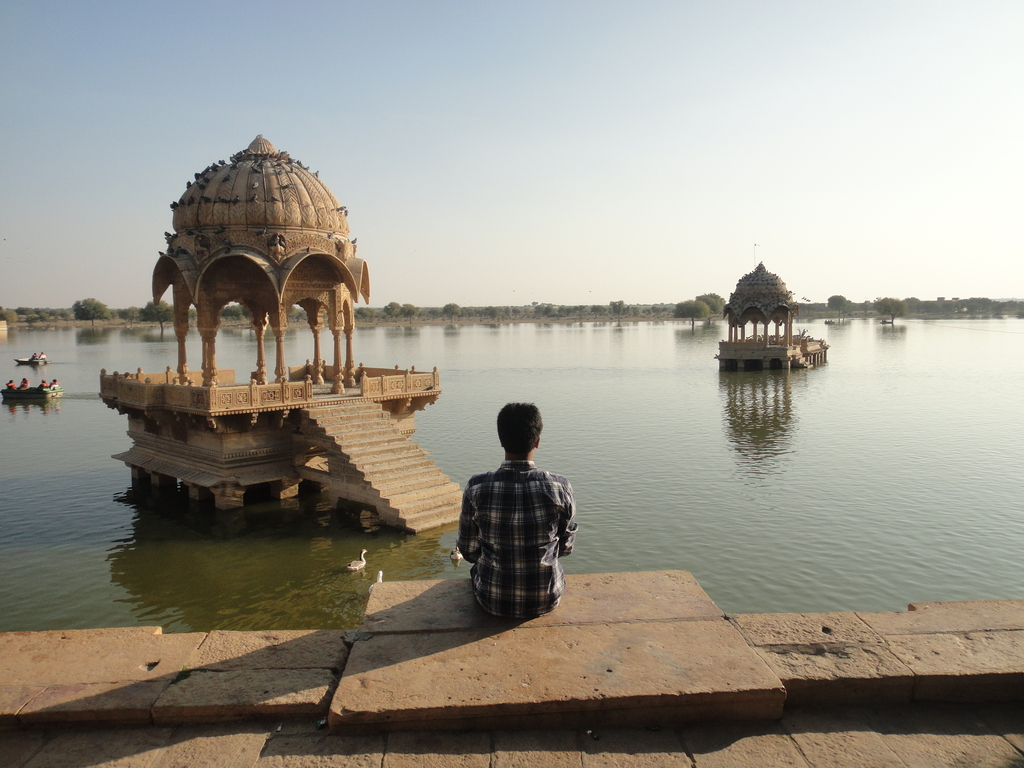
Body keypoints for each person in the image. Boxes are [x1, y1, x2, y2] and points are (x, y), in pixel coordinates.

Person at [457, 402, 577, 619]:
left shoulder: (477, 487)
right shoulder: (560, 487)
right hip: (546, 598)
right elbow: (566, 548)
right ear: (537, 441)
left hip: (492, 599)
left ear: (501, 440)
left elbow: (468, 550)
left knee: (476, 570)